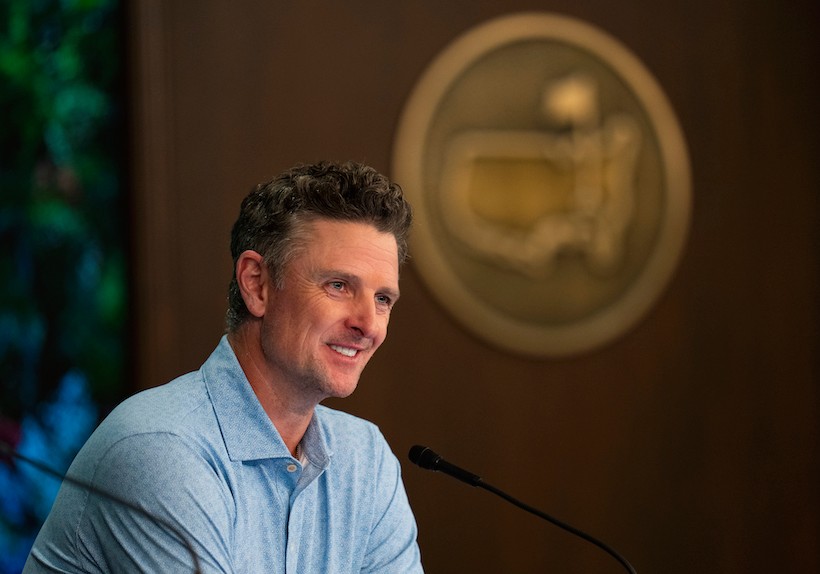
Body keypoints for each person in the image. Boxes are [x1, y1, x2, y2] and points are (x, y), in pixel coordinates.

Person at [24, 161, 424, 573]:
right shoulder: (161, 448)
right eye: (338, 286)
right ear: (256, 285)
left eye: (383, 299)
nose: (368, 325)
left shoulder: (365, 459)